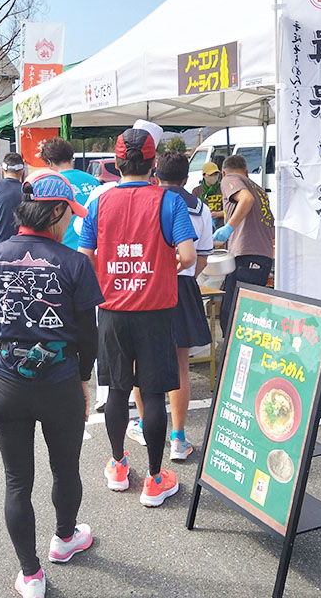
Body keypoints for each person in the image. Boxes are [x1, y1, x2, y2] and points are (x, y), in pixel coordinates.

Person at [0, 170, 101, 598]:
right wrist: (83, 380)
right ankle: (65, 539)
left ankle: (30, 574)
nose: (71, 224)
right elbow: (88, 335)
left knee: (16, 482)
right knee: (65, 469)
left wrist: (0, 373)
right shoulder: (75, 262)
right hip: (60, 381)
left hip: (7, 384)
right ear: (58, 210)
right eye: (70, 216)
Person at [78, 125, 197, 507]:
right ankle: (155, 479)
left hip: (112, 310)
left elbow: (86, 257)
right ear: (153, 164)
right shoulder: (170, 201)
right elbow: (190, 256)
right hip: (156, 310)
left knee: (116, 389)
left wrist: (112, 275)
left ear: (116, 162)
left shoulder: (100, 202)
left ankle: (117, 465)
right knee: (154, 393)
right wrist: (161, 267)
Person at [126, 152, 213, 460]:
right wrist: (185, 275)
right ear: (187, 178)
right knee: (180, 367)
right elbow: (201, 255)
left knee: (140, 362)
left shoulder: (152, 200)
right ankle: (177, 437)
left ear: (156, 175)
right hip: (185, 287)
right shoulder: (200, 208)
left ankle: (143, 426)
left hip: (147, 285)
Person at [213, 154, 275, 336]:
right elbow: (270, 226)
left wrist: (229, 227)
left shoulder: (230, 180)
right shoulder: (260, 190)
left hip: (247, 255)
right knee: (254, 313)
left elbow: (246, 199)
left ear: (223, 173)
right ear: (247, 171)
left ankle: (232, 358)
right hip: (263, 257)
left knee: (233, 313)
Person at [40, 137, 100, 250]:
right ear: (71, 157)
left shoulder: (52, 184)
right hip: (94, 249)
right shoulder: (94, 181)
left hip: (64, 249)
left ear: (50, 162)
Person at [191, 161, 225, 230]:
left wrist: (219, 214)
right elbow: (193, 212)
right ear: (204, 175)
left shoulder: (224, 188)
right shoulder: (197, 191)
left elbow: (231, 209)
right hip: (203, 227)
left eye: (216, 174)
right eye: (211, 175)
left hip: (221, 227)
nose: (214, 177)